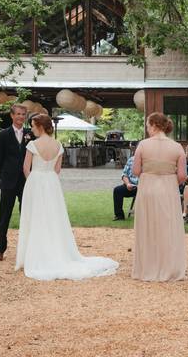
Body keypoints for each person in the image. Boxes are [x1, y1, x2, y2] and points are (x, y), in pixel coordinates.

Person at [15, 114, 118, 280]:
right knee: (54, 218)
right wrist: (47, 179)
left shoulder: (32, 145)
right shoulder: (58, 145)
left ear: (40, 126)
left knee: (35, 217)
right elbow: (57, 170)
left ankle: (35, 255)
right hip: (52, 182)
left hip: (36, 180)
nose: (32, 129)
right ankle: (56, 251)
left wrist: (33, 181)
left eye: (33, 125)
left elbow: (26, 168)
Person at [132, 112, 188, 281]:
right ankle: (168, 267)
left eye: (148, 125)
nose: (147, 129)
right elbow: (182, 176)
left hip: (147, 189)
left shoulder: (142, 145)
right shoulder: (177, 147)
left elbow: (135, 171)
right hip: (168, 190)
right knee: (168, 228)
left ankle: (147, 267)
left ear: (155, 125)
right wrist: (168, 180)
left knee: (147, 227)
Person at [0, 103, 31, 262]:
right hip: (8, 182)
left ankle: (27, 250)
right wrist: (4, 176)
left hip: (26, 182)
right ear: (12, 115)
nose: (21, 117)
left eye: (23, 114)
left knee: (26, 216)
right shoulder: (4, 134)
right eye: (18, 114)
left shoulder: (30, 134)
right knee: (4, 216)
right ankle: (0, 250)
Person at [113, 143, 139, 221]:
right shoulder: (131, 160)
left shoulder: (148, 162)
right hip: (131, 186)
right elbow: (124, 175)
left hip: (144, 188)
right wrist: (127, 184)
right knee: (117, 190)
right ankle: (119, 215)